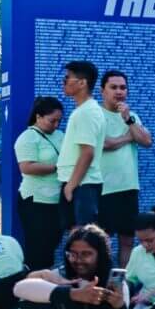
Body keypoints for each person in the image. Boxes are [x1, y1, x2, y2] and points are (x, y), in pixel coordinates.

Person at [98, 69, 152, 267]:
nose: (119, 91)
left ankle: (123, 285)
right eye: (114, 87)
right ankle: (101, 285)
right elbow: (105, 144)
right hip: (102, 188)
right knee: (101, 240)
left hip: (128, 188)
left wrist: (128, 119)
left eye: (123, 87)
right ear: (102, 90)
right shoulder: (95, 114)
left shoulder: (132, 117)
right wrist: (130, 137)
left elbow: (146, 141)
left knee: (127, 240)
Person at [13, 96, 65, 270]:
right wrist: (58, 167)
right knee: (37, 249)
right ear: (38, 117)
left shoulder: (60, 136)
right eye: (52, 121)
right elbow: (27, 167)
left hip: (57, 201)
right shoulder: (27, 138)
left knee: (51, 246)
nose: (56, 125)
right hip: (35, 201)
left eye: (59, 121)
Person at [56, 60, 105, 229]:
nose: (64, 82)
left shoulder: (87, 112)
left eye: (67, 78)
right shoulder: (83, 111)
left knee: (83, 236)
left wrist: (71, 185)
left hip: (83, 185)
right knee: (75, 235)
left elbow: (87, 153)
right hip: (77, 183)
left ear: (82, 83)